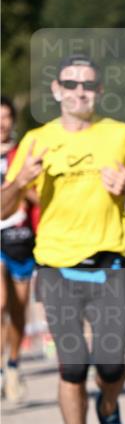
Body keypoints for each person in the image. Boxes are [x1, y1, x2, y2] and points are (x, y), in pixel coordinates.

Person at [1, 55, 125, 424]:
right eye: (71, 84)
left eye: (88, 86)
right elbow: (4, 208)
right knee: (72, 367)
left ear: (99, 92)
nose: (79, 91)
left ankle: (108, 410)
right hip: (56, 268)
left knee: (111, 366)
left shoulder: (119, 135)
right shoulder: (37, 142)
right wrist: (21, 183)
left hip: (109, 265)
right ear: (56, 89)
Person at [1, 96, 36, 402]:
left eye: (6, 117)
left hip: (21, 236)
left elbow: (40, 194)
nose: (2, 123)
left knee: (18, 310)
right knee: (0, 302)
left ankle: (12, 364)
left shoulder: (24, 152)